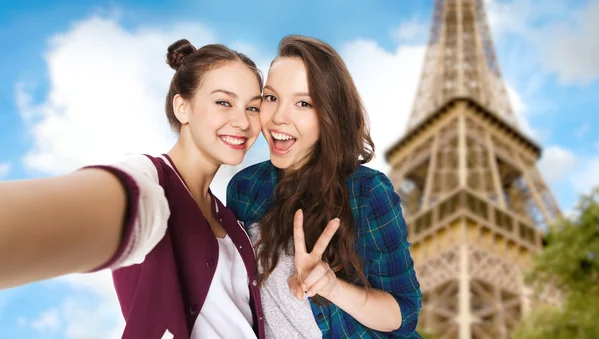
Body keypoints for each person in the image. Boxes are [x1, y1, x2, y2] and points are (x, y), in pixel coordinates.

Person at [0, 39, 266, 339]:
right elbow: (109, 206)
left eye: (253, 107)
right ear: (183, 107)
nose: (243, 121)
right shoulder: (151, 182)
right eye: (223, 102)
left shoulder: (234, 222)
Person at [227, 35, 423, 338]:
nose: (279, 117)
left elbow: (403, 313)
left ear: (329, 115)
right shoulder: (245, 188)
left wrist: (332, 287)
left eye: (303, 103)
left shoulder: (368, 192)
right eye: (271, 97)